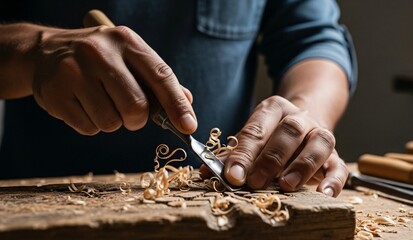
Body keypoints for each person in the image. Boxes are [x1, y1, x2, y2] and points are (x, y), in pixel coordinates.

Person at [0, 0, 356, 197]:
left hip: (216, 200)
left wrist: (306, 113)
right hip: (34, 193)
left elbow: (315, 40)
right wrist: (32, 51)